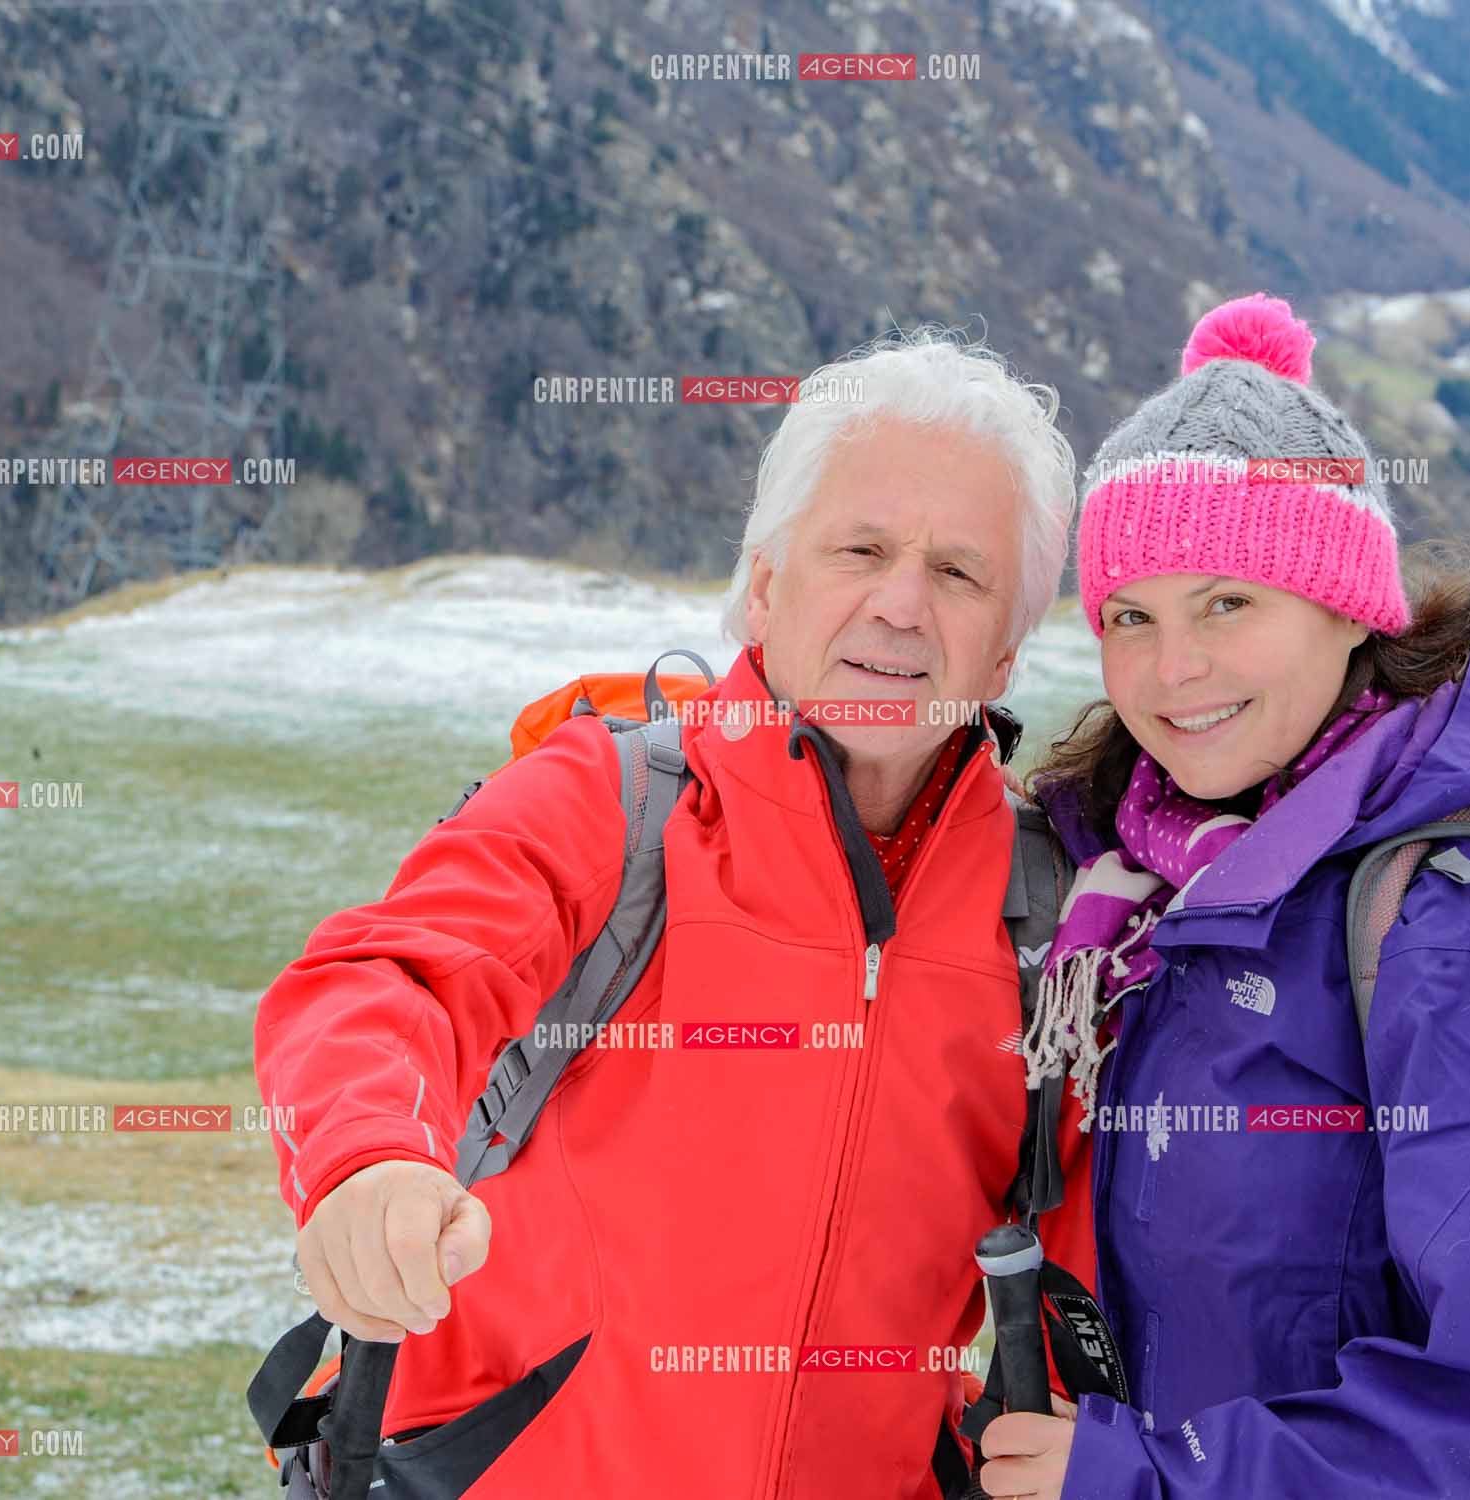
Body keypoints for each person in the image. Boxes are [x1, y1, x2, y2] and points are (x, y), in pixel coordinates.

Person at [254, 327, 1097, 1498]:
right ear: (764, 586)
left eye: (960, 573)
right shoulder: (612, 805)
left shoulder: (1049, 919)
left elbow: (1092, 1279)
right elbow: (384, 978)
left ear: (1004, 653)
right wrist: (365, 1160)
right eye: (860, 549)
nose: (902, 606)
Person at [979, 294, 1470, 1499]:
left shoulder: (1453, 930)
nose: (1172, 668)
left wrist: (1139, 1476)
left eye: (1227, 602)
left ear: (1349, 607)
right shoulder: (1146, 890)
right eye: (1131, 616)